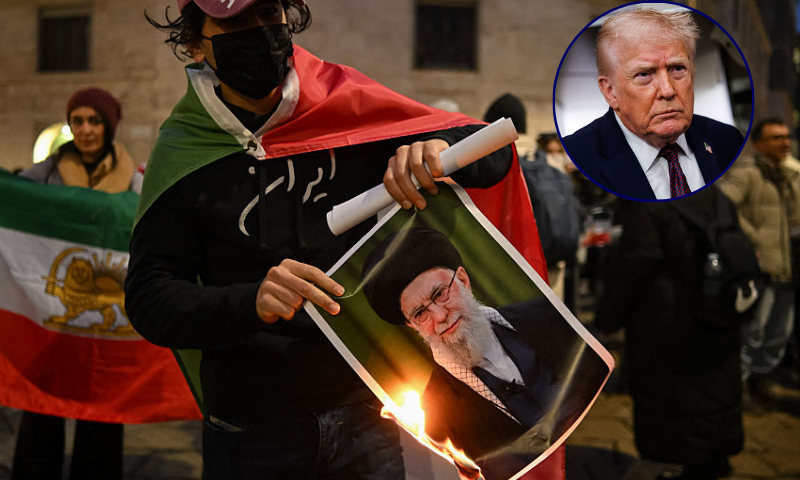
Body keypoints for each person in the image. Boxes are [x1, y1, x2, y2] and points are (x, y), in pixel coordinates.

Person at [126, 1, 524, 479]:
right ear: (193, 44)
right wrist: (249, 302)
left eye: (268, 12)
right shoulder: (183, 153)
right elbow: (149, 298)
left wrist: (438, 149)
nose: (259, 31)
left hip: (367, 416)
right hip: (252, 429)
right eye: (234, 22)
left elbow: (493, 154)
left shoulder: (344, 103)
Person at [361, 227, 607, 466]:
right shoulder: (435, 416)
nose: (438, 315)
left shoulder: (545, 316)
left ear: (464, 280)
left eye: (439, 294)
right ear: (413, 326)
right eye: (420, 313)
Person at [14, 87, 140, 480]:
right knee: (41, 409)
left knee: (102, 410)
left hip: (108, 319)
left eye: (94, 120)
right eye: (78, 121)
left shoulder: (135, 184)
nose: (85, 129)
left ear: (109, 126)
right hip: (51, 316)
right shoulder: (42, 177)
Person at [595, 187, 745, 480]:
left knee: (667, 396)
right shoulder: (716, 196)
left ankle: (674, 463)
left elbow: (634, 262)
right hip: (717, 312)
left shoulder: (648, 201)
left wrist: (608, 317)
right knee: (716, 385)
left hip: (665, 323)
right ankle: (714, 457)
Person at [561, 8, 744, 200]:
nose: (668, 90)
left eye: (677, 68)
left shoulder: (727, 140)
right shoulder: (579, 154)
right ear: (610, 91)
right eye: (644, 74)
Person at [718, 118, 800, 407]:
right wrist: (751, 242)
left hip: (788, 268)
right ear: (758, 143)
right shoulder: (747, 174)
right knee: (753, 332)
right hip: (760, 269)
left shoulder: (789, 175)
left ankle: (760, 380)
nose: (785, 142)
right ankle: (738, 388)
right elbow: (724, 206)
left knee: (778, 333)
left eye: (787, 136)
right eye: (776, 137)